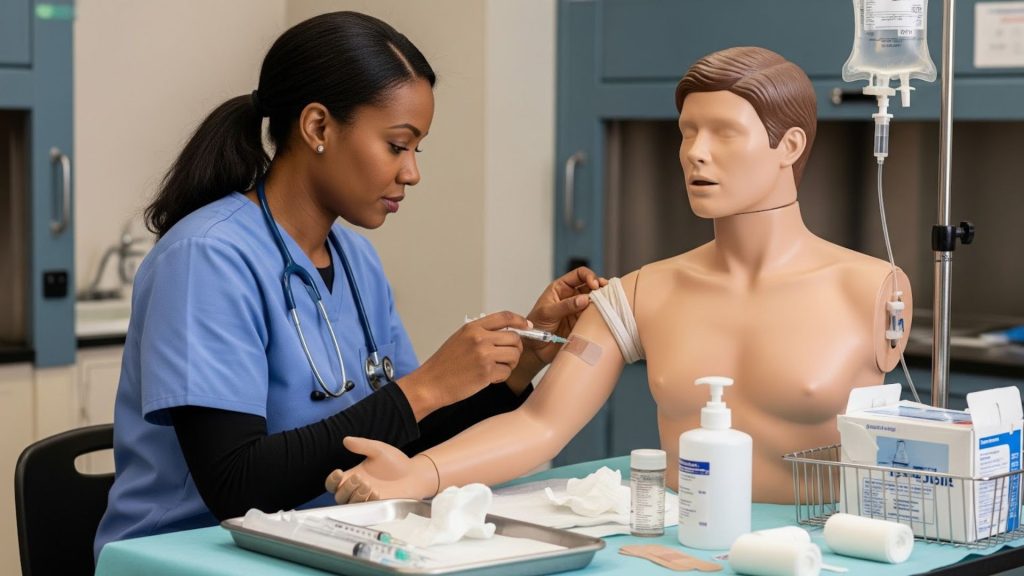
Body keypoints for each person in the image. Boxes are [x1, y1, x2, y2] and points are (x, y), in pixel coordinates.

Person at [93, 11, 604, 558]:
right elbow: (235, 486)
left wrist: (519, 365)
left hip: (319, 542)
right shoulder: (206, 258)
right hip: (190, 555)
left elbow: (407, 439)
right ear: (317, 128)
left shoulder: (355, 259)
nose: (412, 173)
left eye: (417, 149)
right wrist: (426, 386)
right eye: (396, 145)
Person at [324, 46, 913, 505]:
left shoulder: (870, 289)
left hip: (822, 554)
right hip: (688, 549)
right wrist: (419, 474)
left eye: (723, 133)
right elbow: (541, 422)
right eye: (687, 132)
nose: (694, 153)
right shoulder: (640, 294)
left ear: (788, 146)